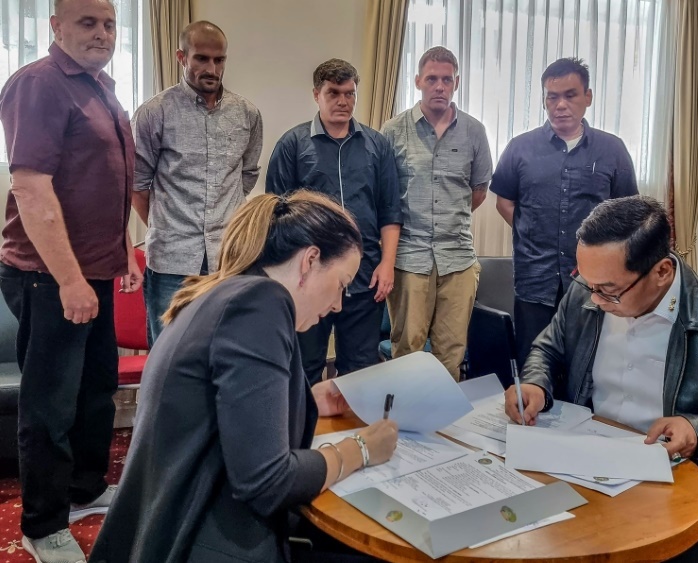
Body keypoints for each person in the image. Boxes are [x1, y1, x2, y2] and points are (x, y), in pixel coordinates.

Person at [90, 191, 399, 563]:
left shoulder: (229, 293)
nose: (337, 304)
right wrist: (361, 449)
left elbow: (227, 414)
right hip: (201, 542)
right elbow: (268, 481)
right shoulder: (260, 304)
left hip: (175, 525)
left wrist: (309, 401)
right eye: (341, 284)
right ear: (309, 260)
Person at [505, 195, 698, 562]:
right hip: (589, 469)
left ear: (662, 272)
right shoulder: (587, 291)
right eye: (586, 281)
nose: (595, 299)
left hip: (692, 485)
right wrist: (536, 382)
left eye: (609, 290)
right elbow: (548, 348)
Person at [0, 0, 142, 561]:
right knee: (50, 407)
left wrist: (124, 252)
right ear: (55, 26)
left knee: (95, 390)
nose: (103, 33)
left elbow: (105, 182)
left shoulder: (100, 87)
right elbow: (32, 189)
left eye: (109, 24)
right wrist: (69, 280)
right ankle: (42, 524)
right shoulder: (38, 85)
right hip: (49, 278)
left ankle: (84, 489)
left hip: (97, 271)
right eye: (88, 22)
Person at [490, 57, 638, 370]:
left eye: (570, 95)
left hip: (593, 282)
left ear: (588, 97)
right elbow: (504, 202)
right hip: (535, 277)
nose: (560, 105)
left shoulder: (612, 150)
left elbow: (627, 214)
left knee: (587, 365)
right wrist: (529, 232)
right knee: (534, 362)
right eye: (552, 97)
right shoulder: (520, 148)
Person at [266, 58, 401, 385]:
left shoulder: (376, 145)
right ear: (317, 94)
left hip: (365, 277)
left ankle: (354, 422)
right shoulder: (293, 145)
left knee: (361, 371)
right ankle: (306, 420)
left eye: (349, 93)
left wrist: (387, 264)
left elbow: (390, 210)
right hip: (310, 280)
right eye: (334, 93)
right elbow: (276, 215)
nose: (343, 101)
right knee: (305, 368)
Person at [132, 20, 263, 345]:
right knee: (170, 352)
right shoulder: (154, 113)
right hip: (171, 261)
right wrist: (168, 226)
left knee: (227, 349)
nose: (212, 69)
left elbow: (246, 176)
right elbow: (137, 186)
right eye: (202, 59)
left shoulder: (247, 114)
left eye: (219, 60)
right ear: (181, 57)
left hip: (228, 260)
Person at [381, 46, 493, 381]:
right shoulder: (393, 130)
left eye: (447, 79)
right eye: (432, 79)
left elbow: (478, 191)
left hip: (458, 259)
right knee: (407, 351)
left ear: (456, 83)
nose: (439, 86)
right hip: (409, 258)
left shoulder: (474, 131)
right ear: (418, 81)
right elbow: (385, 196)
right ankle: (404, 415)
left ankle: (445, 416)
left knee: (451, 352)